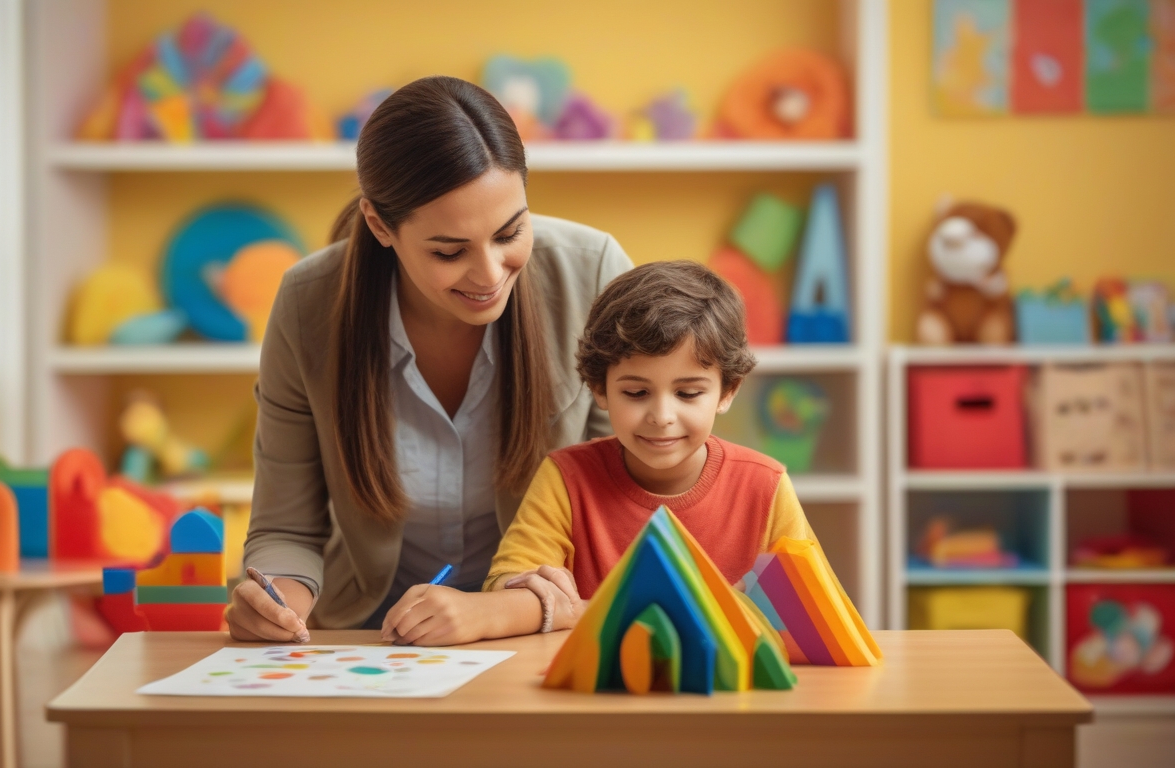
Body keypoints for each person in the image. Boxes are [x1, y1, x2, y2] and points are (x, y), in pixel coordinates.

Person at [225, 76, 633, 641]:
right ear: (379, 225)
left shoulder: (594, 274)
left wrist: (501, 612)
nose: (490, 275)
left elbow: (631, 510)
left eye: (510, 232)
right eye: (449, 251)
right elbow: (287, 529)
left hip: (547, 628)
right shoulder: (306, 303)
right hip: (372, 633)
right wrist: (274, 603)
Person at [381, 261, 831, 645]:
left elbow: (810, 615)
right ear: (599, 389)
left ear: (727, 391)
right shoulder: (566, 477)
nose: (661, 416)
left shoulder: (764, 484)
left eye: (689, 393)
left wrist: (575, 609)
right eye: (636, 392)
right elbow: (511, 587)